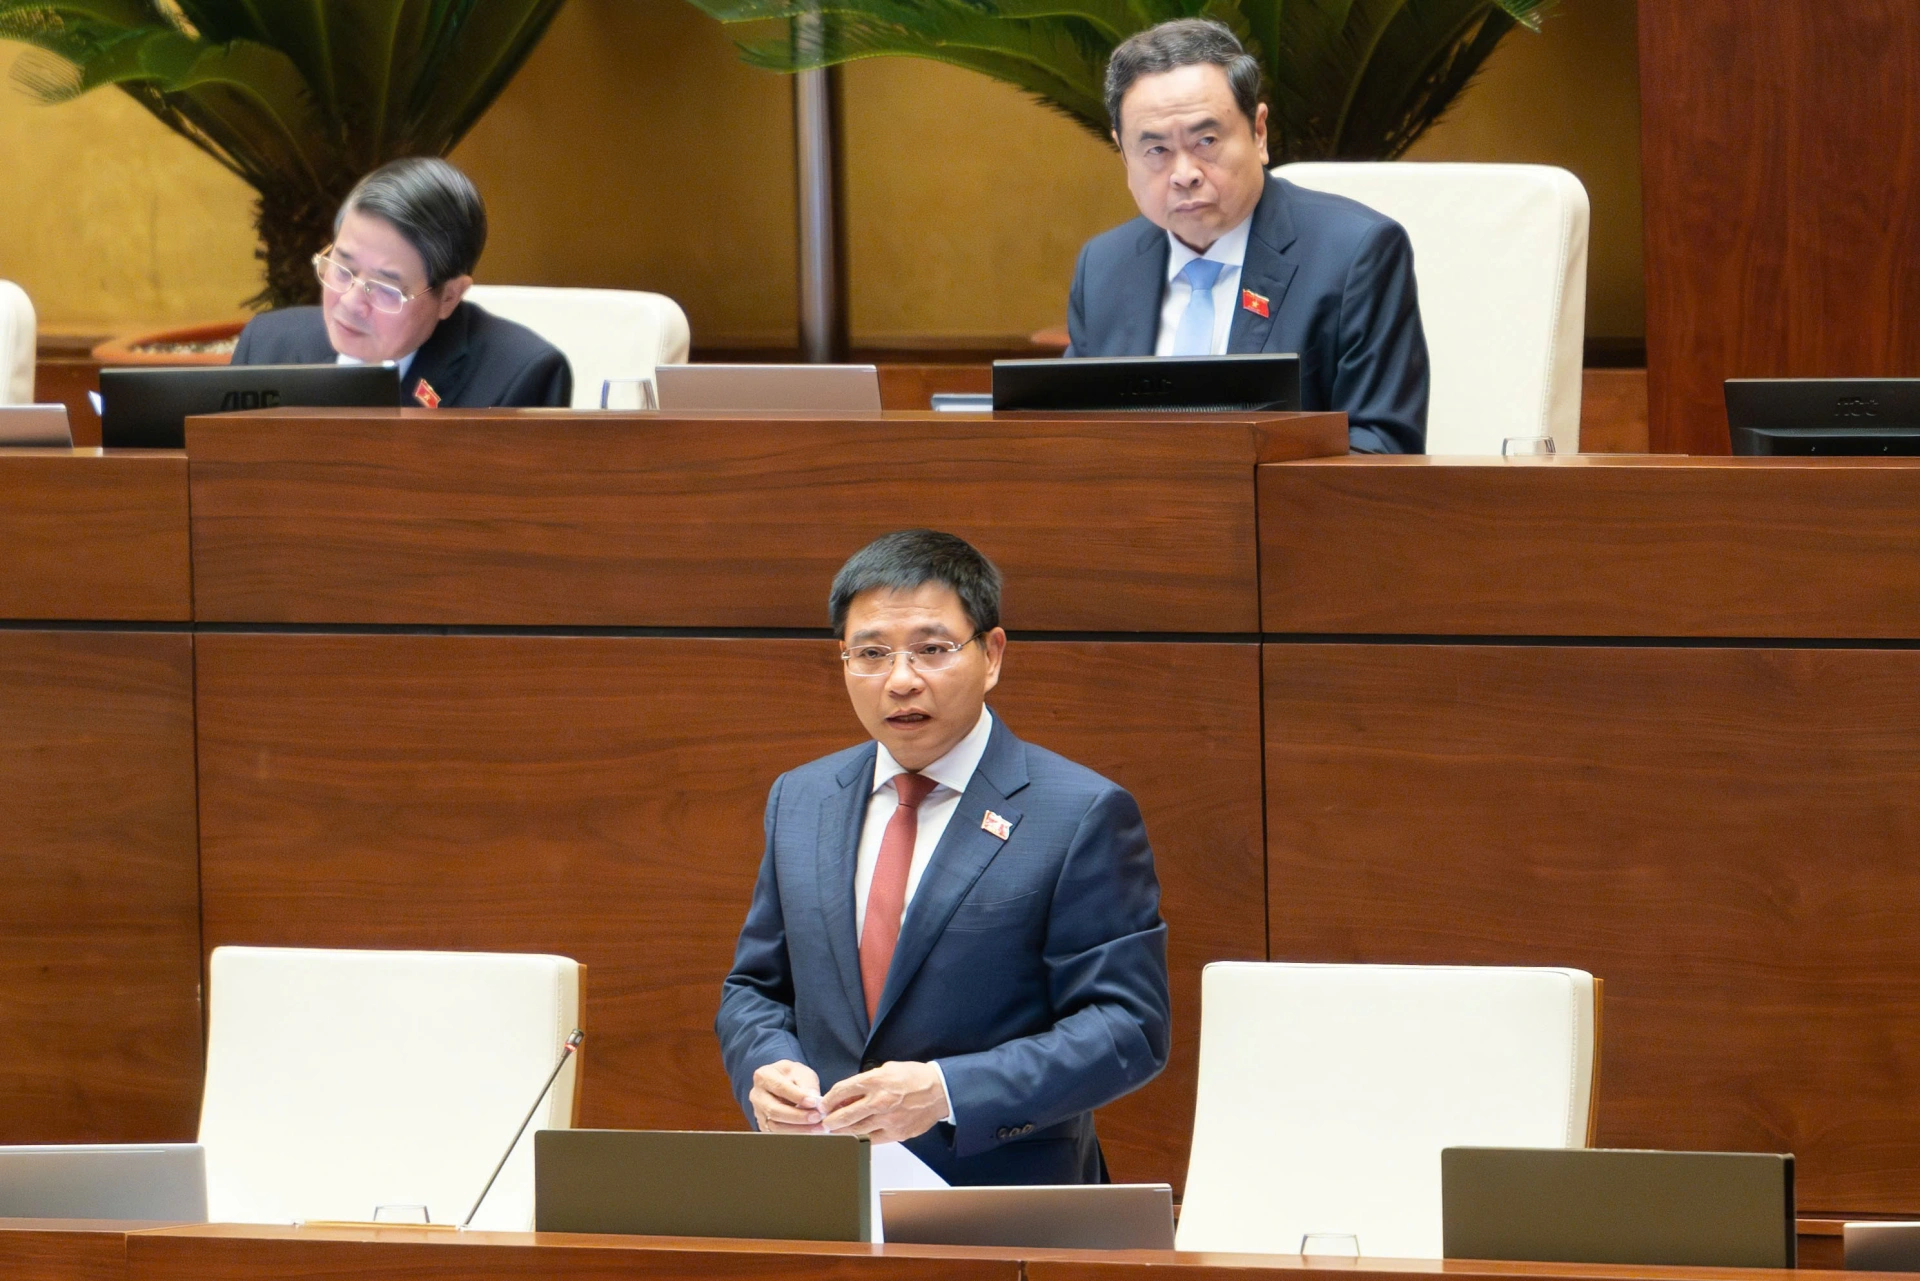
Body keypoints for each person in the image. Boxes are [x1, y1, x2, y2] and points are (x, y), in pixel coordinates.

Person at [716, 530, 1170, 1185]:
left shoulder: (1080, 812)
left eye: (932, 649)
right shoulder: (802, 798)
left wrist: (948, 1091)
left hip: (1004, 1204)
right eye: (871, 653)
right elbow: (755, 990)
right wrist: (765, 1067)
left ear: (992, 655)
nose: (901, 680)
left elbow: (1128, 1028)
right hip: (824, 1191)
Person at [1065, 19, 1429, 455]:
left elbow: (1381, 448)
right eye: (1156, 150)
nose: (1184, 174)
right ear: (1124, 154)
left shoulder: (1355, 255)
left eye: (1206, 140)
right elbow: (1067, 436)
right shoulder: (1104, 266)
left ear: (1258, 132)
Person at [232, 157, 571, 409]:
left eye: (385, 288)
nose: (350, 302)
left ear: (449, 297)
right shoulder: (266, 346)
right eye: (342, 268)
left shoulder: (518, 377)